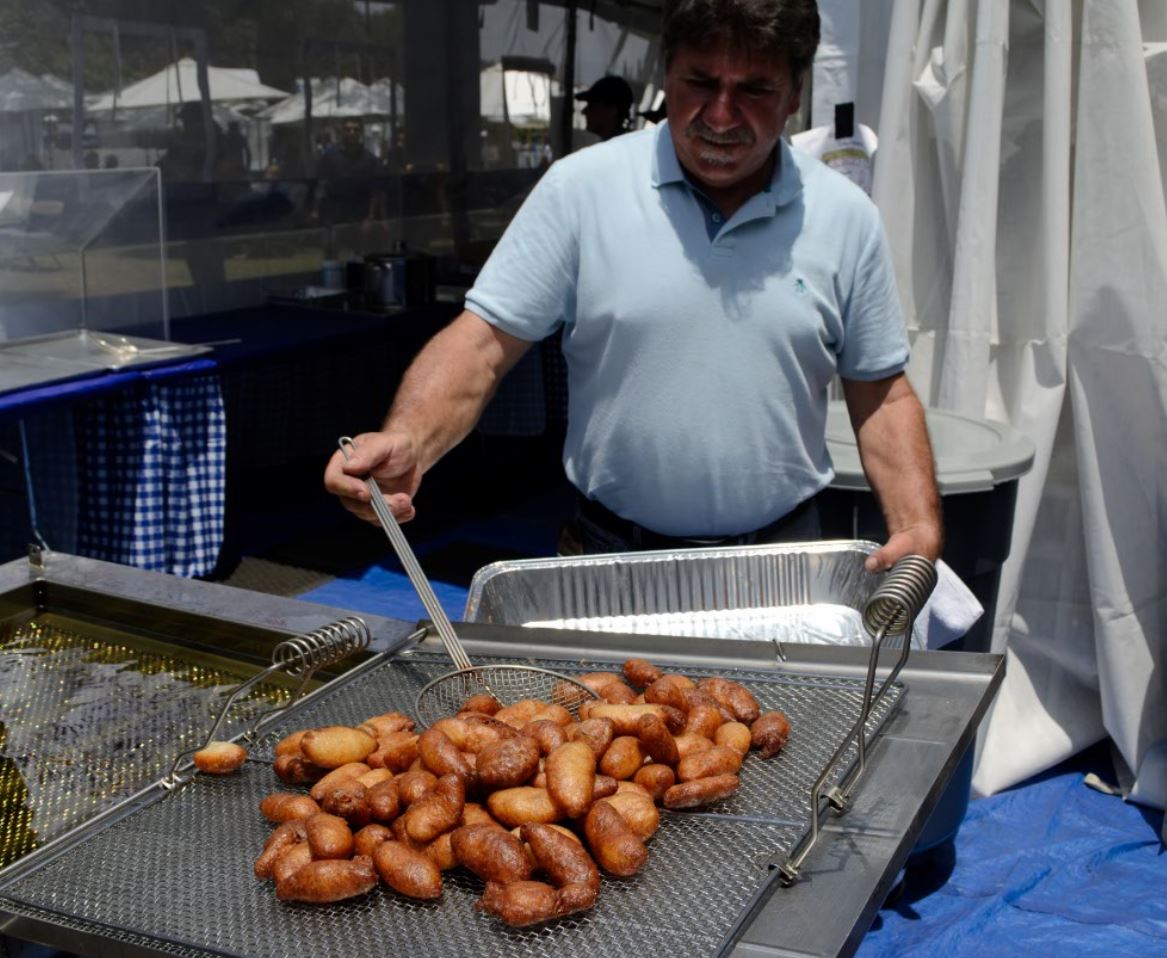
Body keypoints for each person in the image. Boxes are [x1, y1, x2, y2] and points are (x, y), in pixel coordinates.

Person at [325, 0, 942, 574]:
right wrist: (408, 438)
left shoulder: (843, 214)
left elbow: (882, 393)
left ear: (795, 96)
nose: (722, 116)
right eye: (700, 82)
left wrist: (916, 525)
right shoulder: (581, 190)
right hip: (610, 555)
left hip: (782, 559)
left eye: (754, 89)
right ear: (665, 73)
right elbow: (483, 344)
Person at [309, 118, 385, 226]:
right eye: (348, 129)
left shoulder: (370, 159)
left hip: (361, 217)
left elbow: (376, 190)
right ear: (341, 131)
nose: (352, 132)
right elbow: (321, 185)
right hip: (335, 215)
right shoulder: (329, 157)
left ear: (361, 132)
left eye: (356, 129)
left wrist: (371, 216)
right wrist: (315, 210)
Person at [575, 75, 635, 142]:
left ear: (612, 111)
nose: (584, 111)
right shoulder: (594, 146)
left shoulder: (620, 149)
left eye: (592, 107)